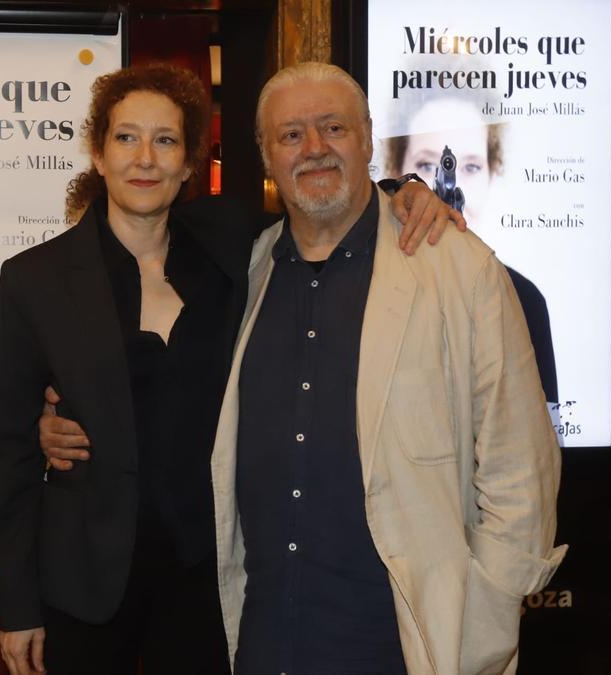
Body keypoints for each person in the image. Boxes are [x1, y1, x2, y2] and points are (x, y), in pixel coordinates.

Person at [0, 64, 459, 675]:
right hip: (86, 581)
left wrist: (405, 189)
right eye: (126, 138)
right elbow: (9, 455)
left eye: (166, 141)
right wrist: (18, 605)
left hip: (206, 577)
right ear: (98, 155)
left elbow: (326, 199)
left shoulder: (232, 242)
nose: (145, 159)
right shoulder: (34, 280)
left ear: (188, 165)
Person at [202, 62, 564, 674]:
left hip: (403, 646)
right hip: (267, 643)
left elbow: (520, 471)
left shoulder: (460, 268)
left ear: (368, 137)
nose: (314, 149)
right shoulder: (248, 270)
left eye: (333, 127)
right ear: (265, 156)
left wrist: (485, 620)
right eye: (291, 135)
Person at [384, 81, 560, 406]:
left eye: (471, 167)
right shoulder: (369, 287)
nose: (448, 187)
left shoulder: (524, 301)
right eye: (425, 165)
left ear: (493, 175)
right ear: (396, 172)